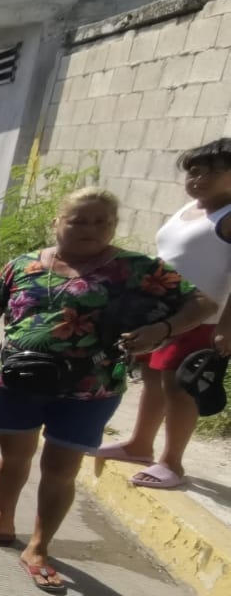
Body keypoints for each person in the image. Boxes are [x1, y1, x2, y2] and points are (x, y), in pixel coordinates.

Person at [0, 188, 215, 594]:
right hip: (20, 381)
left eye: (102, 221)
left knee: (59, 468)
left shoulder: (138, 270)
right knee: (13, 457)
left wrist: (163, 330)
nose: (91, 229)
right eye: (79, 221)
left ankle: (38, 546)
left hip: (92, 388)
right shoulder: (23, 265)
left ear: (114, 226)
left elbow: (202, 304)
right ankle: (2, 522)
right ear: (57, 223)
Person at [96, 139, 231, 488]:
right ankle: (140, 443)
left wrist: (227, 327)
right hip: (163, 314)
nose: (199, 178)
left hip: (204, 316)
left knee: (179, 388)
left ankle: (172, 463)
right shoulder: (190, 210)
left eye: (213, 172)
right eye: (194, 171)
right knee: (153, 381)